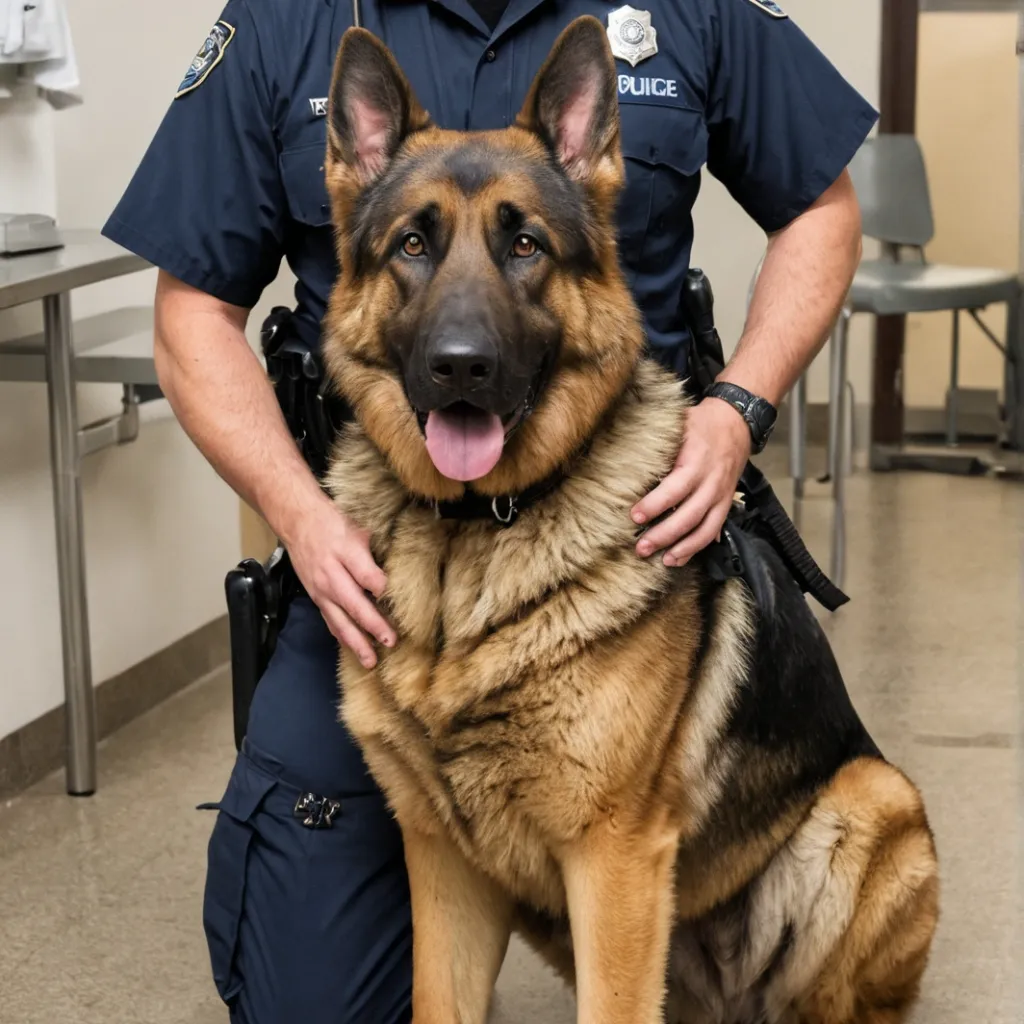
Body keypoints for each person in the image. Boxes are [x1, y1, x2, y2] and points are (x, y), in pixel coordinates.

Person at [102, 0, 876, 1020]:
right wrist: (303, 517)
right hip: (369, 555)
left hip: (616, 521)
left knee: (635, 822)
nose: (462, 341)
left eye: (518, 247)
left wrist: (737, 406)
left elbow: (822, 207)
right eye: (417, 247)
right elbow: (192, 312)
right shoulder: (287, 19)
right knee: (309, 1003)